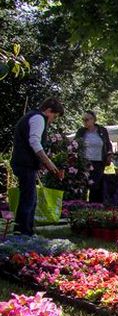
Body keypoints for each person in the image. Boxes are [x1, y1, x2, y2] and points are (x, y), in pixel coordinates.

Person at [10, 98, 65, 236]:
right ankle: (23, 233)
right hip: (25, 164)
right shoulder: (38, 118)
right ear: (48, 111)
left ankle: (24, 231)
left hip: (24, 163)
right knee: (28, 199)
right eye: (54, 116)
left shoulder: (32, 116)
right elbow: (34, 142)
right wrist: (49, 163)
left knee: (29, 198)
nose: (53, 120)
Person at [75, 111, 113, 203]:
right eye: (83, 120)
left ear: (93, 120)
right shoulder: (81, 131)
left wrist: (109, 155)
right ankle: (81, 205)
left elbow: (108, 144)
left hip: (99, 162)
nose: (85, 122)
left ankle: (95, 206)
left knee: (96, 187)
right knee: (83, 186)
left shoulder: (102, 130)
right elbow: (75, 145)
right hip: (84, 163)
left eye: (87, 119)